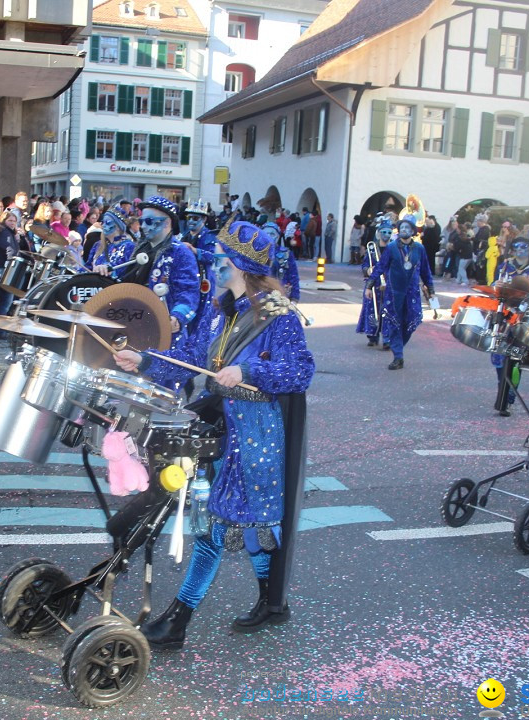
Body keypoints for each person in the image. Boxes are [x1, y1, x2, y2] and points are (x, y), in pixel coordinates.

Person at [113, 220, 314, 649]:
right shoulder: (218, 308)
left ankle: (178, 621)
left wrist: (249, 370)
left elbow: (301, 371)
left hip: (255, 433)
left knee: (220, 528)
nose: (213, 265)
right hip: (217, 425)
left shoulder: (279, 317)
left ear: (241, 266)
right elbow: (188, 358)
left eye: (220, 259)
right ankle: (270, 602)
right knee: (224, 524)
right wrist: (144, 361)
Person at [117, 196, 199, 349]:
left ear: (167, 222)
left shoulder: (180, 252)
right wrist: (105, 271)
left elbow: (189, 292)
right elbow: (121, 279)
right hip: (133, 325)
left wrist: (177, 317)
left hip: (164, 334)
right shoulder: (138, 248)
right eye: (141, 221)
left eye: (149, 221)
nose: (143, 226)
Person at [490, 237, 529, 416]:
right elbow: (494, 287)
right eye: (515, 246)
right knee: (499, 358)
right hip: (504, 316)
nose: (519, 250)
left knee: (516, 359)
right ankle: (503, 389)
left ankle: (507, 398)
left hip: (525, 318)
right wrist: (497, 286)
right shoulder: (505, 267)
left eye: (524, 247)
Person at [365, 217, 434, 369]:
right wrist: (369, 286)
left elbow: (425, 271)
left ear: (413, 231)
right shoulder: (391, 247)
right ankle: (398, 356)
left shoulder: (419, 249)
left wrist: (431, 291)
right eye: (402, 228)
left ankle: (399, 347)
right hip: (394, 292)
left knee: (410, 323)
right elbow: (380, 267)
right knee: (395, 324)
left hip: (412, 293)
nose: (404, 230)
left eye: (407, 228)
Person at [181, 199, 217, 334]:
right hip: (187, 280)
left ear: (204, 219)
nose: (190, 221)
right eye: (188, 217)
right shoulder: (183, 236)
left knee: (201, 315)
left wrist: (195, 251)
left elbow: (215, 257)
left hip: (203, 281)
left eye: (195, 218)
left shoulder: (210, 237)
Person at [356, 218, 392, 347]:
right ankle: (372, 335)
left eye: (389, 232)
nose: (386, 235)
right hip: (374, 283)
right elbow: (365, 265)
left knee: (388, 310)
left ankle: (387, 338)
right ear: (379, 232)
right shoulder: (372, 248)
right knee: (371, 309)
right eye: (384, 232)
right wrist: (367, 270)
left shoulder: (393, 248)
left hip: (388, 283)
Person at [88, 207, 135, 279]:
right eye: (103, 222)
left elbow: (123, 270)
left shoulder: (129, 246)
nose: (103, 225)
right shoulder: (98, 245)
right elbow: (87, 267)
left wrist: (107, 268)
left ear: (118, 227)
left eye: (107, 222)